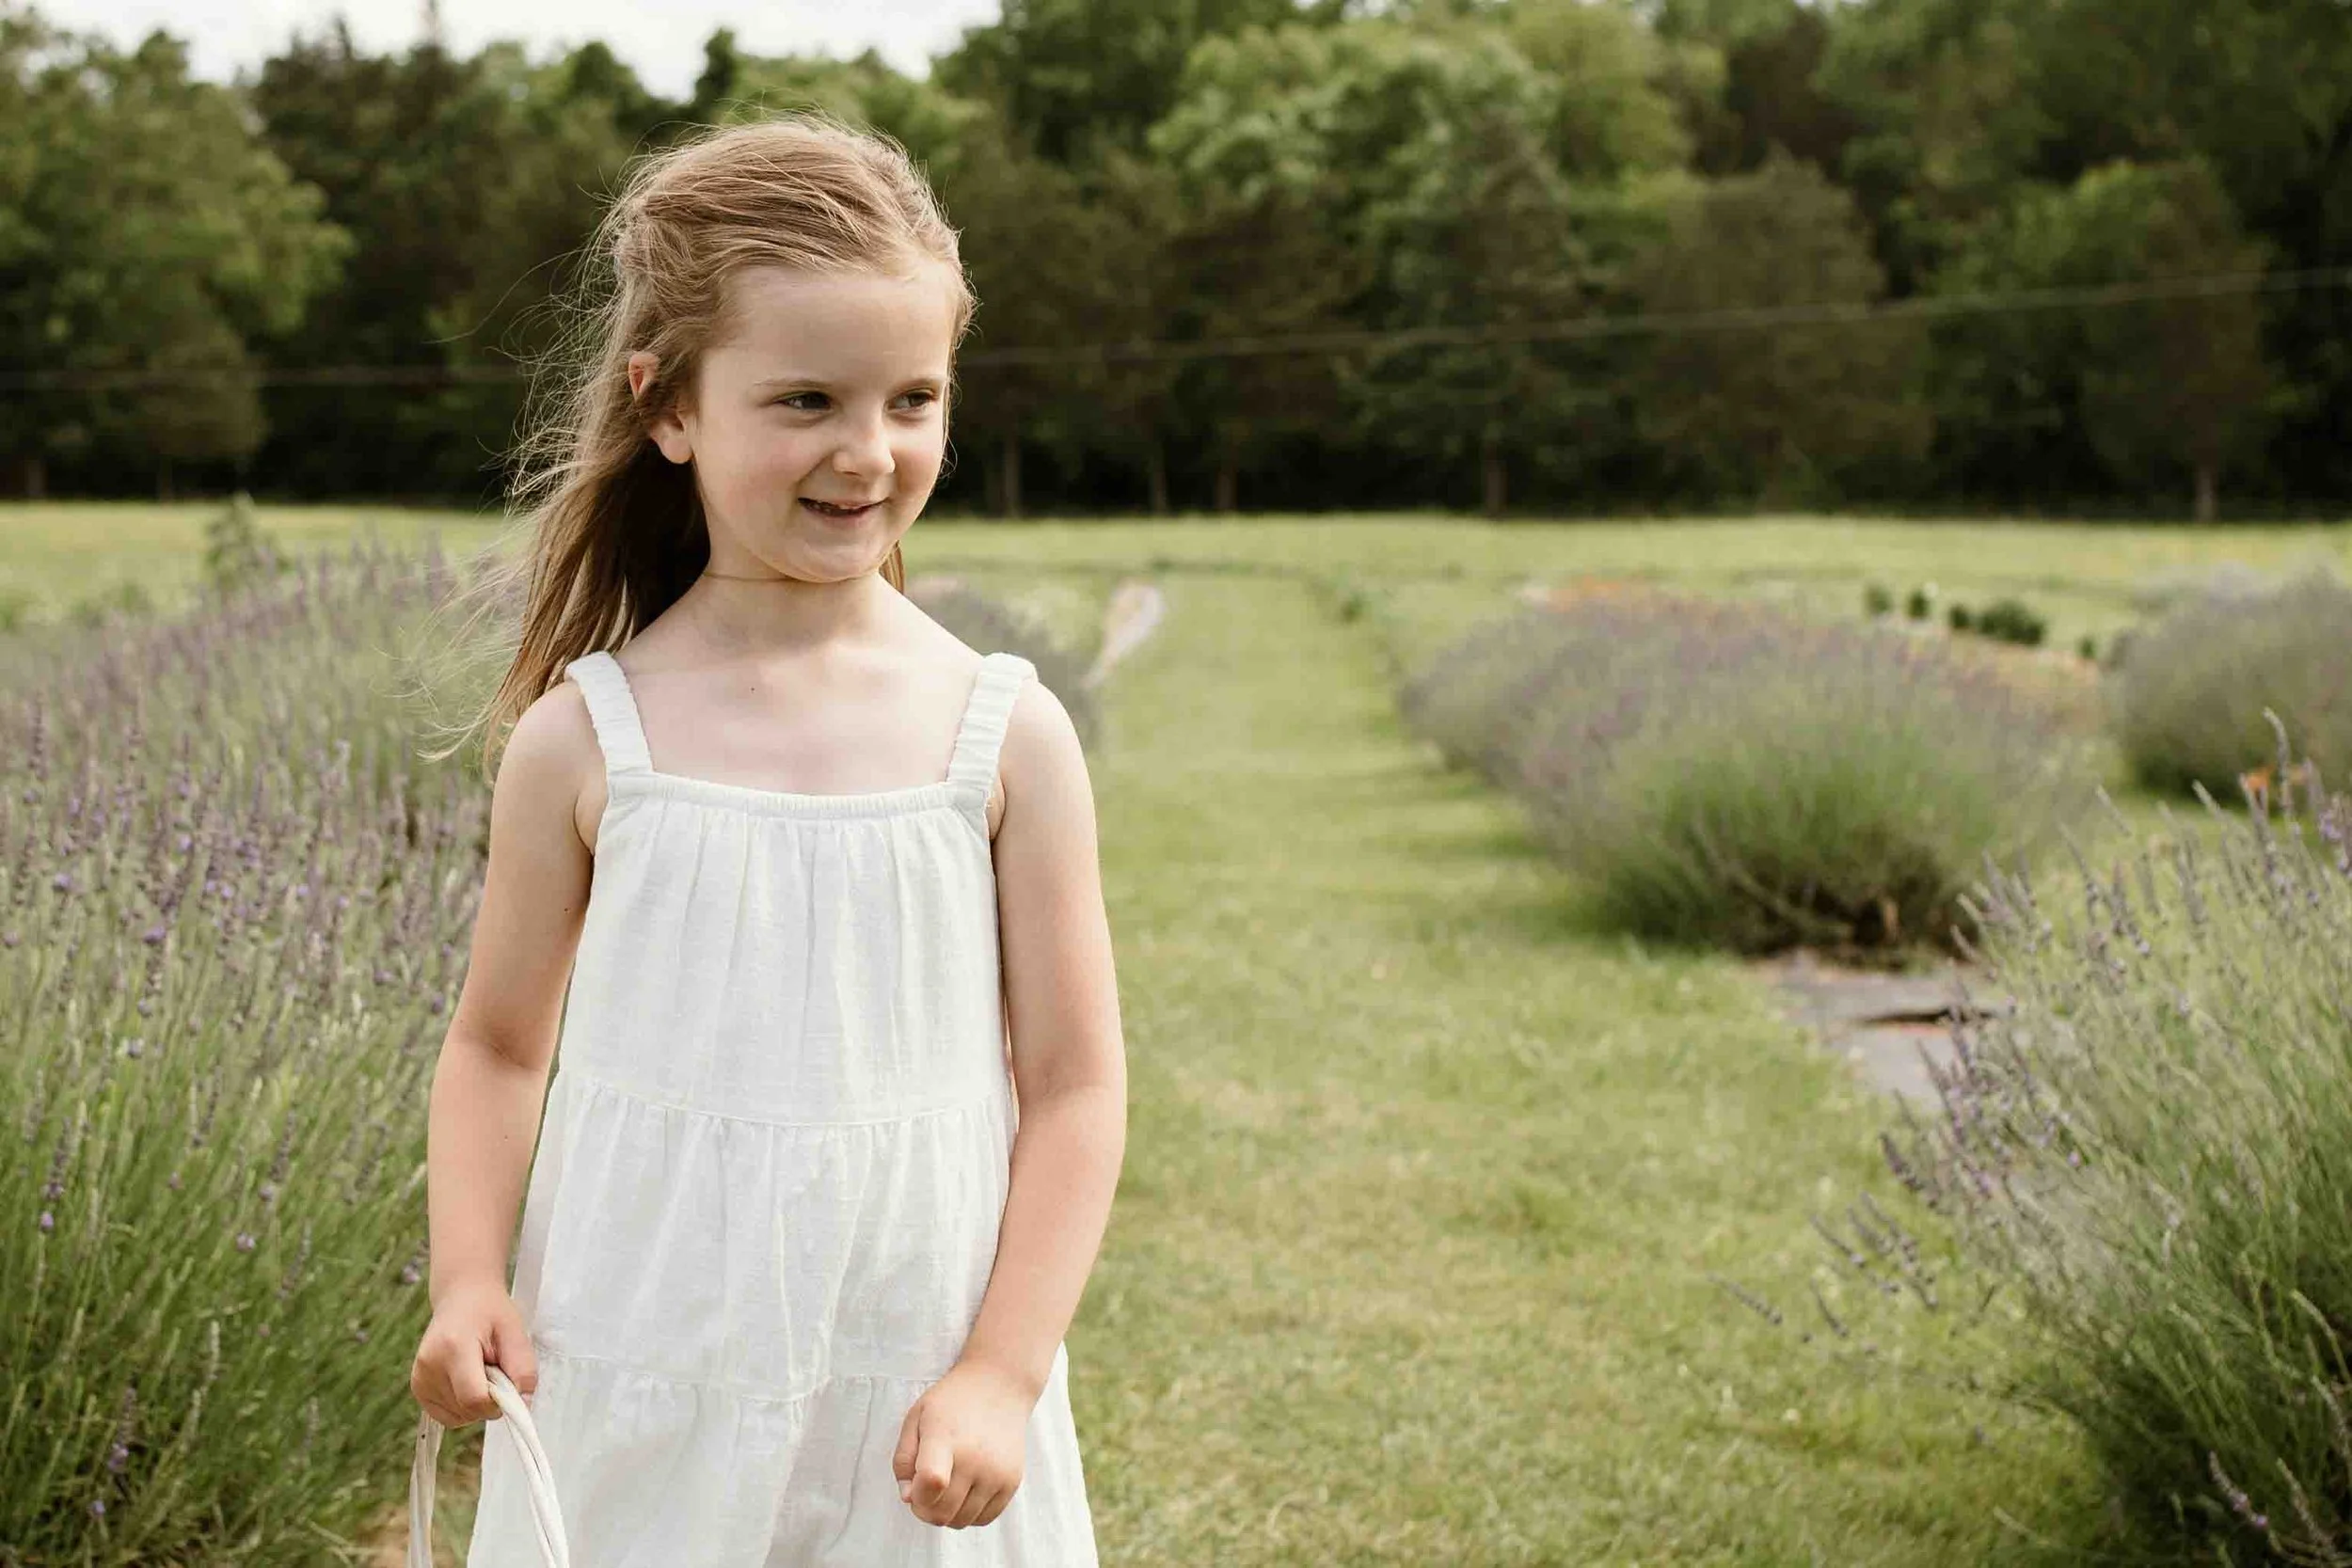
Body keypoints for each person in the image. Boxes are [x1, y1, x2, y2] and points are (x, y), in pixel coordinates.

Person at [406, 112, 1126, 1564]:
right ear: (668, 407)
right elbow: (497, 1045)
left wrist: (1002, 1370)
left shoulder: (1003, 737)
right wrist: (468, 1273)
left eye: (912, 398)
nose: (869, 451)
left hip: (911, 1365)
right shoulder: (589, 741)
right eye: (806, 400)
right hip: (639, 1353)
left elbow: (1072, 1086)